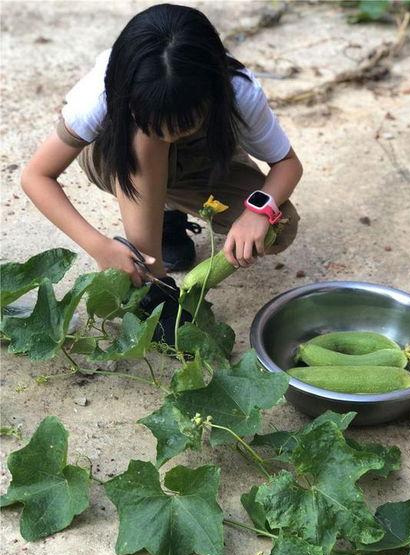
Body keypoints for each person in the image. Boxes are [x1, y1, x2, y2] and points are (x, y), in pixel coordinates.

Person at [20, 3, 302, 344]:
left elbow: (287, 163)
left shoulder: (237, 90)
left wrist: (258, 211)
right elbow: (36, 176)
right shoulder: (100, 94)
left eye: (182, 126)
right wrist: (99, 246)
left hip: (198, 163)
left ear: (213, 96)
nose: (170, 134)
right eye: (160, 125)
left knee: (280, 226)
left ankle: (165, 209)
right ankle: (155, 288)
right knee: (147, 139)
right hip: (117, 159)